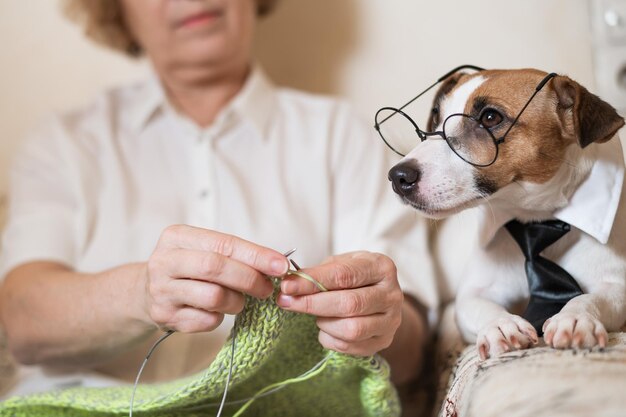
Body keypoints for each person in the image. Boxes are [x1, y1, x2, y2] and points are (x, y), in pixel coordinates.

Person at [0, 0, 437, 398]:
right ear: (116, 11)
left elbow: (412, 349)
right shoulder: (64, 144)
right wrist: (140, 293)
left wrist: (377, 321)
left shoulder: (341, 136)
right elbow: (21, 322)